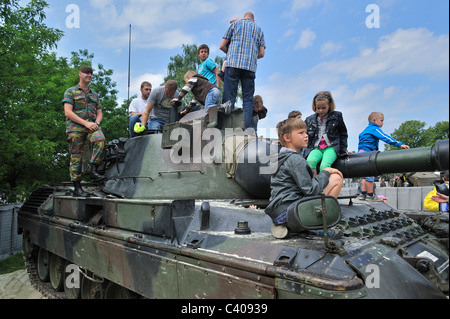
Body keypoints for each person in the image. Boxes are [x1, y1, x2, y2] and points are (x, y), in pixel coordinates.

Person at [265, 118, 344, 238]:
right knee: (335, 178)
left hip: (278, 213)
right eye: (301, 133)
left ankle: (292, 227)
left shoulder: (279, 158)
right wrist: (326, 172)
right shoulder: (295, 159)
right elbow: (311, 190)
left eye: (306, 132)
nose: (306, 136)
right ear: (287, 138)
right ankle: (320, 225)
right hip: (292, 213)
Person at [62, 66, 106, 197]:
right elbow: (68, 112)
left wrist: (96, 123)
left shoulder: (94, 95)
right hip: (76, 127)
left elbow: (99, 113)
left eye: (91, 74)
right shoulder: (71, 92)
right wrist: (85, 123)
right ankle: (77, 187)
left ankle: (93, 169)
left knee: (100, 140)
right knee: (76, 157)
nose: (89, 75)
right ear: (80, 74)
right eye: (86, 73)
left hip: (92, 126)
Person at [220, 12, 266, 132]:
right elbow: (261, 54)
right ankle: (245, 128)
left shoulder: (235, 24)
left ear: (244, 17)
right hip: (250, 67)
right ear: (253, 20)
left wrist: (231, 54)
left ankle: (227, 127)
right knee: (248, 99)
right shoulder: (259, 30)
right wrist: (249, 56)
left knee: (229, 97)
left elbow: (222, 46)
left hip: (233, 64)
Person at [358, 112, 410, 201]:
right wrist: (399, 144)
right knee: (370, 174)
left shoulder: (365, 130)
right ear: (374, 120)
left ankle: (363, 194)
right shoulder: (374, 128)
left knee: (364, 175)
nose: (382, 123)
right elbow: (384, 137)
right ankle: (370, 195)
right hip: (368, 153)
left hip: (361, 152)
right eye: (381, 121)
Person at [304, 91, 348, 177]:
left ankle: (325, 188)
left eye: (323, 108)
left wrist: (343, 149)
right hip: (316, 147)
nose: (320, 111)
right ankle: (315, 185)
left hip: (331, 147)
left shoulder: (337, 116)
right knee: (310, 162)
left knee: (324, 166)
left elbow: (343, 133)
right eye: (318, 108)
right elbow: (300, 131)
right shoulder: (309, 119)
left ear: (329, 106)